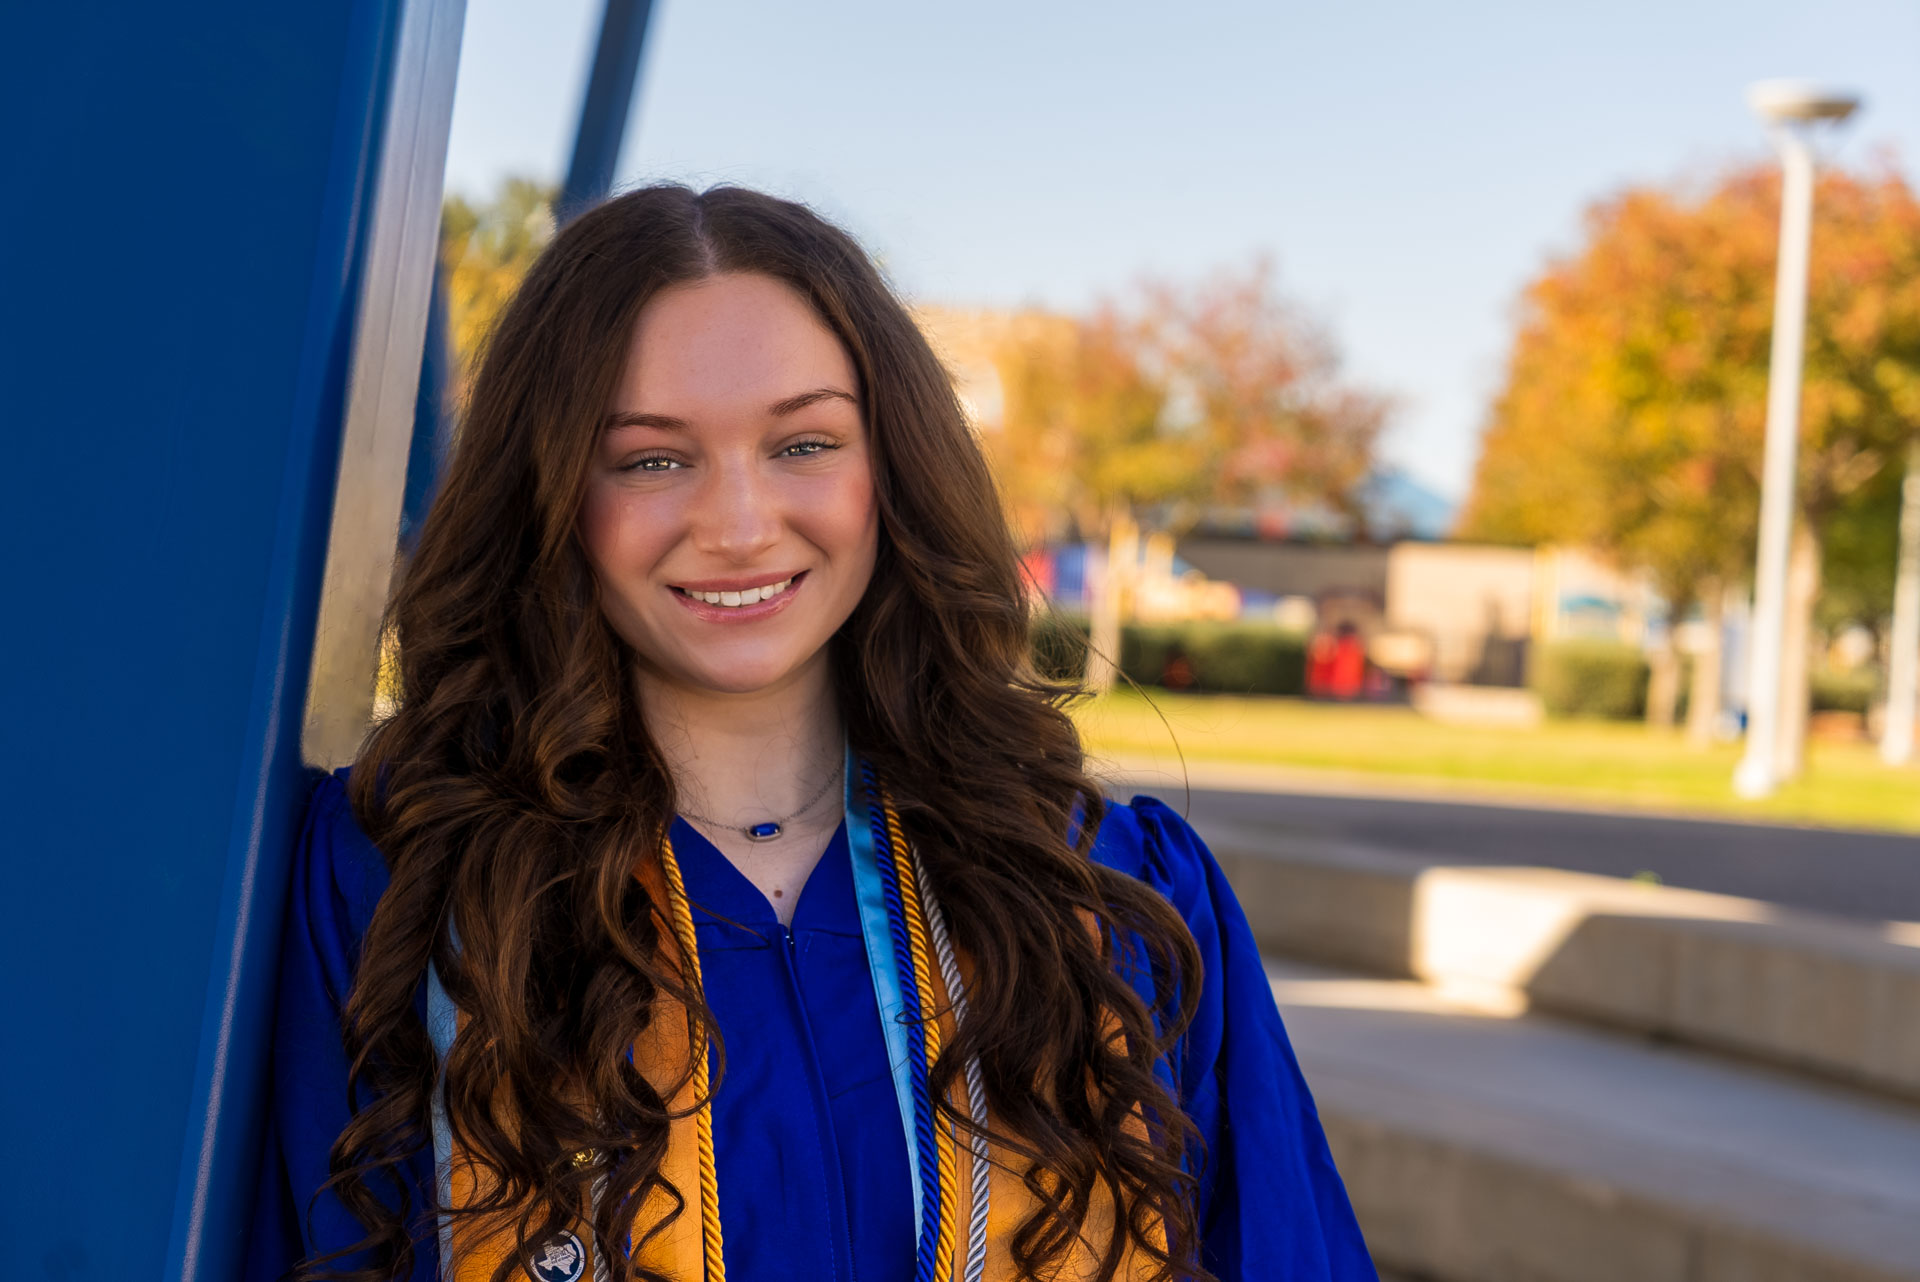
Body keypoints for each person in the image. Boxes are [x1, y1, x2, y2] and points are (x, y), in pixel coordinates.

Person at [247, 184, 1376, 1282]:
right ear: (552, 493)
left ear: (891, 464)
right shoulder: (409, 893)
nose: (739, 523)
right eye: (651, 457)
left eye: (804, 445)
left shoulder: (1102, 894)